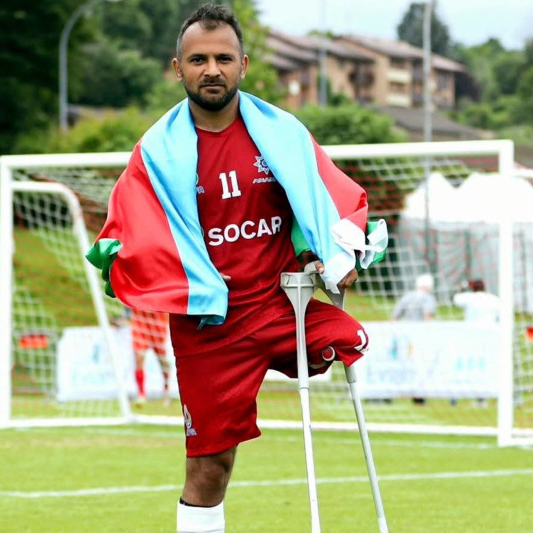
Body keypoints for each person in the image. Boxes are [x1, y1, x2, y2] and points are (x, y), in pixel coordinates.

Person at [86, 4, 386, 532]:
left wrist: (338, 255)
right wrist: (147, 268)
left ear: (243, 64)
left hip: (279, 307)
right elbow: (128, 229)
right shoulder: (155, 152)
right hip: (210, 329)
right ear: (177, 69)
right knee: (209, 469)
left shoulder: (283, 133)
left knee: (350, 337)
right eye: (197, 59)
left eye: (223, 58)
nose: (212, 69)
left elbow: (329, 201)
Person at [453, 279, 500, 407]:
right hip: (491, 336)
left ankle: (465, 397)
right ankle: (490, 397)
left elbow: (456, 299)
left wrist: (462, 288)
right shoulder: (493, 299)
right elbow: (501, 317)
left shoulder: (469, 297)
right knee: (489, 366)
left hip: (473, 337)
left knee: (473, 366)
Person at [392, 273, 436, 404]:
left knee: (405, 363)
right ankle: (419, 396)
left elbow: (395, 316)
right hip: (420, 337)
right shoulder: (428, 298)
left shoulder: (408, 296)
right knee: (420, 365)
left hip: (405, 337)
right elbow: (427, 315)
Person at [130, 308, 171, 406]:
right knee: (139, 355)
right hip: (140, 318)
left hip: (157, 317)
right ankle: (141, 394)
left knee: (162, 359)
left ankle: (166, 390)